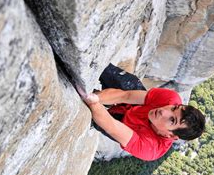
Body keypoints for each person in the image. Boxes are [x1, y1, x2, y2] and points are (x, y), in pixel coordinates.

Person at [77, 64, 206, 161]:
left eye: (172, 120)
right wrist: (96, 97)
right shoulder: (170, 99)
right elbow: (126, 96)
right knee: (114, 75)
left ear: (171, 136)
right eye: (174, 108)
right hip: (135, 104)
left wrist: (92, 102)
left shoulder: (150, 148)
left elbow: (112, 126)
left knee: (91, 113)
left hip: (123, 125)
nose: (163, 111)